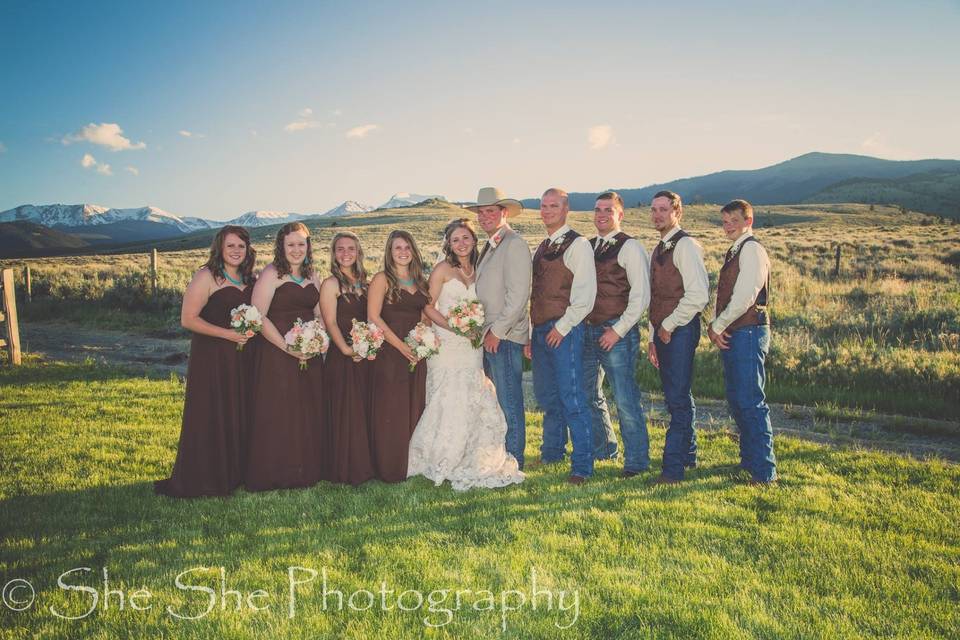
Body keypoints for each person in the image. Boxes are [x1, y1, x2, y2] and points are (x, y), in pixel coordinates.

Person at [407, 219, 525, 490]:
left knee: (473, 395)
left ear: (474, 240)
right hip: (447, 343)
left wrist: (472, 328)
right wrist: (454, 327)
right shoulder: (442, 270)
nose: (461, 243)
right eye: (455, 239)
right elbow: (427, 306)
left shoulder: (478, 270)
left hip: (472, 346)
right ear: (448, 244)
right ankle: (441, 456)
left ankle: (472, 454)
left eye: (466, 238)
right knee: (447, 398)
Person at [155, 225, 256, 497]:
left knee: (239, 409)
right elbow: (188, 319)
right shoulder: (207, 276)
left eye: (241, 246)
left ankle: (236, 472)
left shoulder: (249, 278)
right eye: (230, 246)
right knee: (213, 411)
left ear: (248, 250)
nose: (236, 251)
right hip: (212, 356)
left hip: (244, 356)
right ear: (219, 249)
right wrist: (228, 334)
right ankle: (207, 476)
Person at [246, 222, 327, 491]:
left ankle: (306, 469)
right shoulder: (271, 274)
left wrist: (319, 340)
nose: (296, 249)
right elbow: (257, 317)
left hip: (309, 350)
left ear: (308, 246)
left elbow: (319, 313)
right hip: (277, 351)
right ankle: (277, 472)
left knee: (307, 408)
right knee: (280, 410)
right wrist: (287, 347)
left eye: (301, 244)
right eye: (290, 244)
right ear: (281, 246)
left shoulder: (313, 274)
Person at [526, 187, 597, 485]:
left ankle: (582, 465)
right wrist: (531, 335)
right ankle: (552, 451)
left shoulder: (578, 244)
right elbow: (535, 295)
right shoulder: (542, 246)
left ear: (566, 209)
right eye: (543, 206)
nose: (547, 211)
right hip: (541, 331)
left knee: (572, 396)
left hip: (564, 330)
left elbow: (585, 295)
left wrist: (562, 327)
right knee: (547, 395)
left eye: (553, 205)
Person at [707, 199, 777, 484]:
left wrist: (718, 324)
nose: (728, 227)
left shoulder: (752, 250)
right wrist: (719, 326)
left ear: (749, 221)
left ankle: (764, 472)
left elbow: (747, 295)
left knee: (750, 401)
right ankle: (749, 462)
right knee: (738, 400)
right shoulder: (736, 250)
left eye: (734, 221)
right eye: (725, 222)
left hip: (748, 332)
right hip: (737, 332)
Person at [583, 191, 651, 478]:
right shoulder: (588, 246)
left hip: (616, 332)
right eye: (597, 209)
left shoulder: (630, 247)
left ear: (619, 214)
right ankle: (605, 449)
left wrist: (618, 330)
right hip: (587, 330)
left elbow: (641, 296)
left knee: (625, 398)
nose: (601, 214)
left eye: (608, 210)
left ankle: (636, 462)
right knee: (589, 394)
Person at [468, 187, 532, 469]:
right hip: (489, 335)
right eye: (481, 212)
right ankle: (499, 454)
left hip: (503, 337)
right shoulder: (490, 244)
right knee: (495, 400)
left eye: (490, 211)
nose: (484, 217)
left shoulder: (514, 244)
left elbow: (518, 296)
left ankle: (515, 459)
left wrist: (497, 331)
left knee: (509, 399)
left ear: (504, 213)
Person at [647, 191, 709, 484]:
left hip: (680, 330)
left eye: (663, 209)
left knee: (678, 400)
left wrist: (668, 325)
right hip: (664, 331)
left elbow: (699, 295)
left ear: (677, 212)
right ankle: (688, 455)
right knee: (678, 396)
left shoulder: (686, 246)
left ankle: (673, 469)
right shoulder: (657, 248)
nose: (657, 215)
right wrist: (651, 338)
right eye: (654, 210)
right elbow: (655, 298)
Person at [367, 230, 429, 483]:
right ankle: (389, 466)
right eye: (397, 248)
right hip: (390, 352)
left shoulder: (420, 281)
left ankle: (411, 463)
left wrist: (420, 343)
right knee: (391, 408)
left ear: (413, 251)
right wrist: (401, 347)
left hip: (416, 352)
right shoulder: (382, 279)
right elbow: (373, 316)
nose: (403, 252)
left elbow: (424, 315)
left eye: (407, 247)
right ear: (389, 253)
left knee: (414, 404)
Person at [319, 231, 376, 486]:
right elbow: (329, 321)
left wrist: (368, 347)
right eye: (340, 249)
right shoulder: (331, 284)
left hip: (365, 353)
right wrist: (344, 349)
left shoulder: (367, 283)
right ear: (334, 254)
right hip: (341, 355)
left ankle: (366, 464)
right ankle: (344, 468)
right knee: (346, 410)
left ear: (358, 252)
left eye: (350, 248)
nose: (345, 253)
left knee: (364, 408)